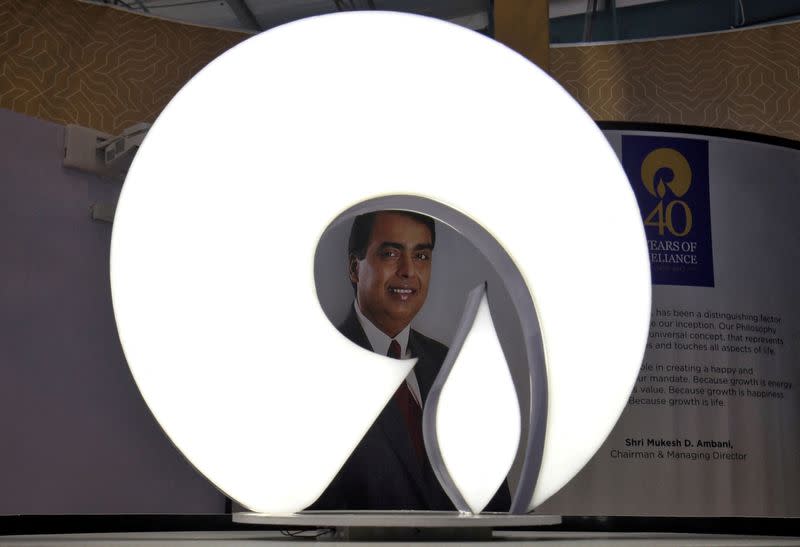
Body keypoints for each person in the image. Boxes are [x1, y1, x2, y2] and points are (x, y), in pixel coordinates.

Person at [312, 210, 510, 511]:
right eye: (391, 253)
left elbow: (497, 503)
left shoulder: (454, 367)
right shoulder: (318, 372)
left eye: (421, 256)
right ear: (355, 268)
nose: (408, 271)